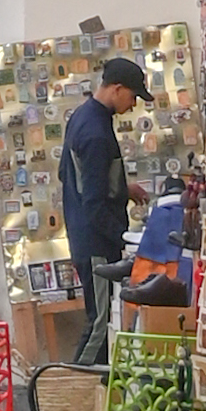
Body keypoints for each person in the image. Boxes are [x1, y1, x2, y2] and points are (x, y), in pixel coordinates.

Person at [62, 54, 147, 334]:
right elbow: (94, 203)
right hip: (96, 243)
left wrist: (123, 190)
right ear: (117, 89)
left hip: (84, 234)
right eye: (133, 97)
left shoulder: (84, 116)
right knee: (100, 325)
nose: (133, 105)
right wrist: (124, 239)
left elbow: (70, 176)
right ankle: (71, 378)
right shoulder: (96, 132)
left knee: (102, 320)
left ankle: (86, 378)